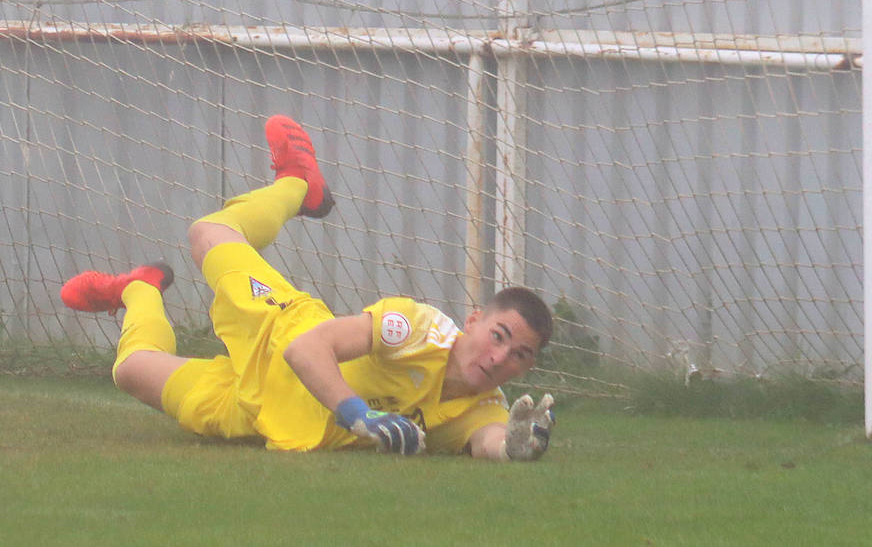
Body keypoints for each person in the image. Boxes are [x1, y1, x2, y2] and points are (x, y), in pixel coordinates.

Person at [59, 115, 555, 459]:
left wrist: (514, 449)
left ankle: (139, 289)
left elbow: (491, 442)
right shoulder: (418, 330)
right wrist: (357, 414)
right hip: (281, 331)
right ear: (474, 321)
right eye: (499, 336)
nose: (500, 358)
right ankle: (298, 183)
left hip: (259, 413)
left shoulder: (483, 409)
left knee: (129, 370)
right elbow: (306, 348)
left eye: (520, 355)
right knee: (207, 233)